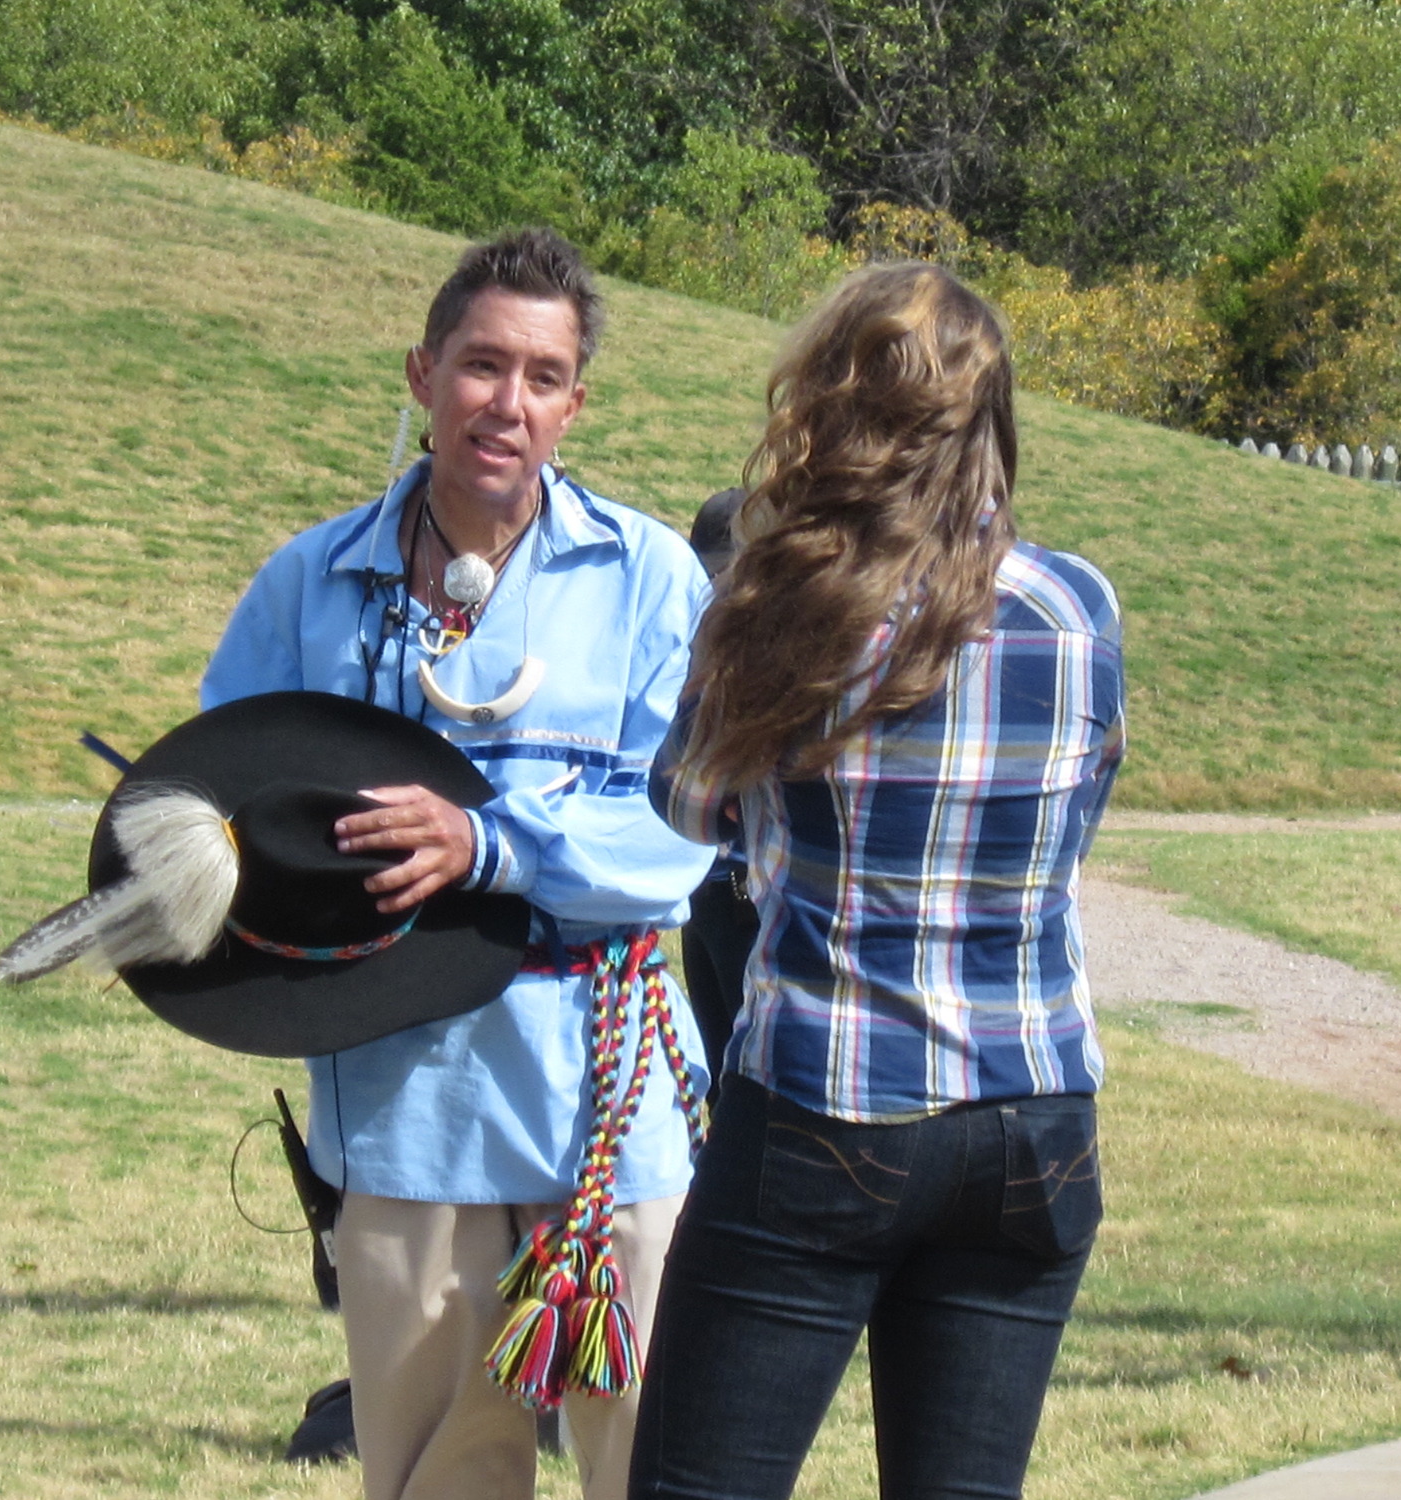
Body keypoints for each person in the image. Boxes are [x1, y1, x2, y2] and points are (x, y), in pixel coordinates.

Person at [200, 228, 714, 1500]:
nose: (509, 403)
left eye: (543, 377)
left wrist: (486, 843)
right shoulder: (309, 585)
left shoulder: (650, 579)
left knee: (659, 1466)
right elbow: (221, 802)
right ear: (424, 372)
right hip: (411, 1109)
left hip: (614, 1115)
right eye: (482, 366)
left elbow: (682, 833)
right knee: (435, 1475)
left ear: (574, 404)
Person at [630, 263, 1126, 1500]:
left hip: (826, 1100)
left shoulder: (788, 606)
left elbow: (685, 803)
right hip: (1035, 1114)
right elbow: (1077, 816)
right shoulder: (1077, 608)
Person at [675, 488, 759, 1096]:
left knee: (748, 1077)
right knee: (716, 1079)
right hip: (700, 887)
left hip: (745, 891)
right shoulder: (696, 639)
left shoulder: (777, 651)